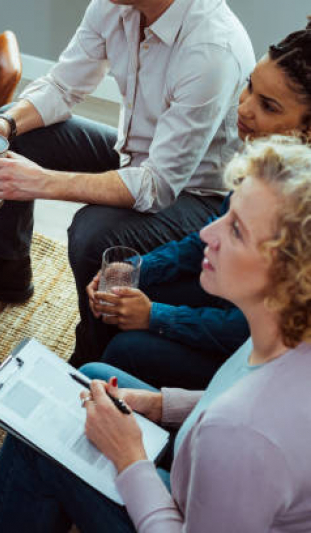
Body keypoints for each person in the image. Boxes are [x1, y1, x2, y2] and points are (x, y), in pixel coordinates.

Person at [0, 135, 311, 532]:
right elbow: (232, 394)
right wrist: (157, 404)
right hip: (208, 470)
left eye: (235, 229)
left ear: (291, 276)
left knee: (41, 446)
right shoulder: (285, 335)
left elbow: (236, 430)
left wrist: (129, 456)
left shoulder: (240, 433)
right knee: (94, 376)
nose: (207, 233)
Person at [0, 0, 254, 325]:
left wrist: (41, 181)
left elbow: (157, 185)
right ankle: (5, 268)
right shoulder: (114, 6)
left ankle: (90, 353)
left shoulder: (212, 50)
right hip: (137, 154)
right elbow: (63, 86)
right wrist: (7, 125)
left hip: (197, 193)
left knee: (93, 233)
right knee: (18, 131)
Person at [80, 22, 311, 388]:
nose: (244, 109)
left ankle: (122, 400)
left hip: (257, 352)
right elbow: (201, 241)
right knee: (120, 291)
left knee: (128, 348)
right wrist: (136, 269)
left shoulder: (299, 209)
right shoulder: (265, 162)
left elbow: (254, 329)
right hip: (233, 299)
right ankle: (84, 371)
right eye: (250, 86)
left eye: (267, 106)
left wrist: (156, 317)